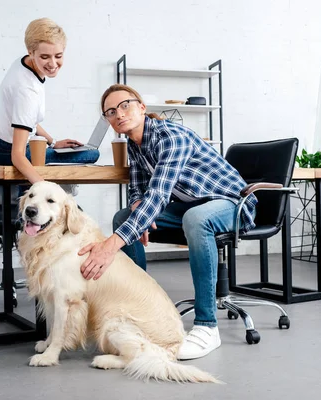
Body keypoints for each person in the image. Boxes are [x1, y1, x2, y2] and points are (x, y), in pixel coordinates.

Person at [78, 84, 258, 360]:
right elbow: (139, 190)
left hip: (232, 203)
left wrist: (109, 245)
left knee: (196, 218)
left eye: (125, 105)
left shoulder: (170, 137)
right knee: (125, 217)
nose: (119, 114)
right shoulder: (134, 145)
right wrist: (139, 211)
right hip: (190, 206)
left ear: (141, 107)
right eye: (111, 112)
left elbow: (159, 194)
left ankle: (208, 326)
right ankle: (140, 311)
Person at [0, 18, 99, 185]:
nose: (53, 64)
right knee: (92, 154)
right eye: (45, 57)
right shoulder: (27, 91)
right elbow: (17, 155)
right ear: (30, 52)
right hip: (7, 150)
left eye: (58, 56)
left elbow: (25, 118)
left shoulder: (23, 63)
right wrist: (42, 186)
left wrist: (53, 143)